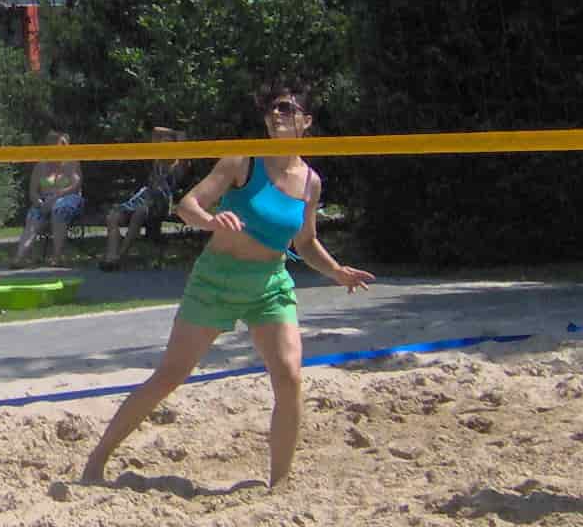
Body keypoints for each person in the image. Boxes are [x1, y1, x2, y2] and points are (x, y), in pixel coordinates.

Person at [81, 82, 374, 490]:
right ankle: (95, 464)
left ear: (306, 121)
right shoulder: (243, 160)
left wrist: (337, 271)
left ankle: (280, 484)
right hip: (216, 278)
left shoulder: (311, 182)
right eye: (273, 108)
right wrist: (211, 221)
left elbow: (305, 242)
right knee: (169, 376)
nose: (277, 115)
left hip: (269, 284)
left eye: (287, 109)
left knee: (289, 377)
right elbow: (187, 205)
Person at [100, 126, 188, 270]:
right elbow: (155, 131)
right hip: (143, 198)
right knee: (112, 217)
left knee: (139, 212)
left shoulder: (178, 167)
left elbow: (182, 134)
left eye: (168, 146)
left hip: (159, 203)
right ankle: (111, 255)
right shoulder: (156, 161)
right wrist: (171, 134)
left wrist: (176, 134)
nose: (163, 149)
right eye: (162, 146)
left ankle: (120, 257)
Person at [12, 131, 84, 267]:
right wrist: (39, 203)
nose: (60, 147)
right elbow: (33, 192)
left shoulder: (72, 163)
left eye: (63, 144)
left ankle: (57, 257)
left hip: (68, 198)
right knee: (33, 216)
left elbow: (76, 186)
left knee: (59, 210)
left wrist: (57, 197)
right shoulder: (40, 166)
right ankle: (19, 257)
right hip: (44, 202)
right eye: (55, 144)